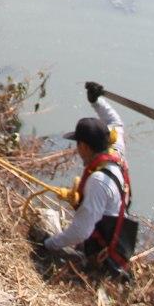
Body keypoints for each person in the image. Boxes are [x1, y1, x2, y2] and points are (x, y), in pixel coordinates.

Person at [43, 82, 138, 278]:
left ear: (85, 147)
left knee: (51, 224)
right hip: (115, 234)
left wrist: (49, 244)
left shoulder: (98, 181)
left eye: (78, 144)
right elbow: (116, 123)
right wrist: (97, 101)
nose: (77, 150)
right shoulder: (116, 150)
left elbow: (81, 231)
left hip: (102, 255)